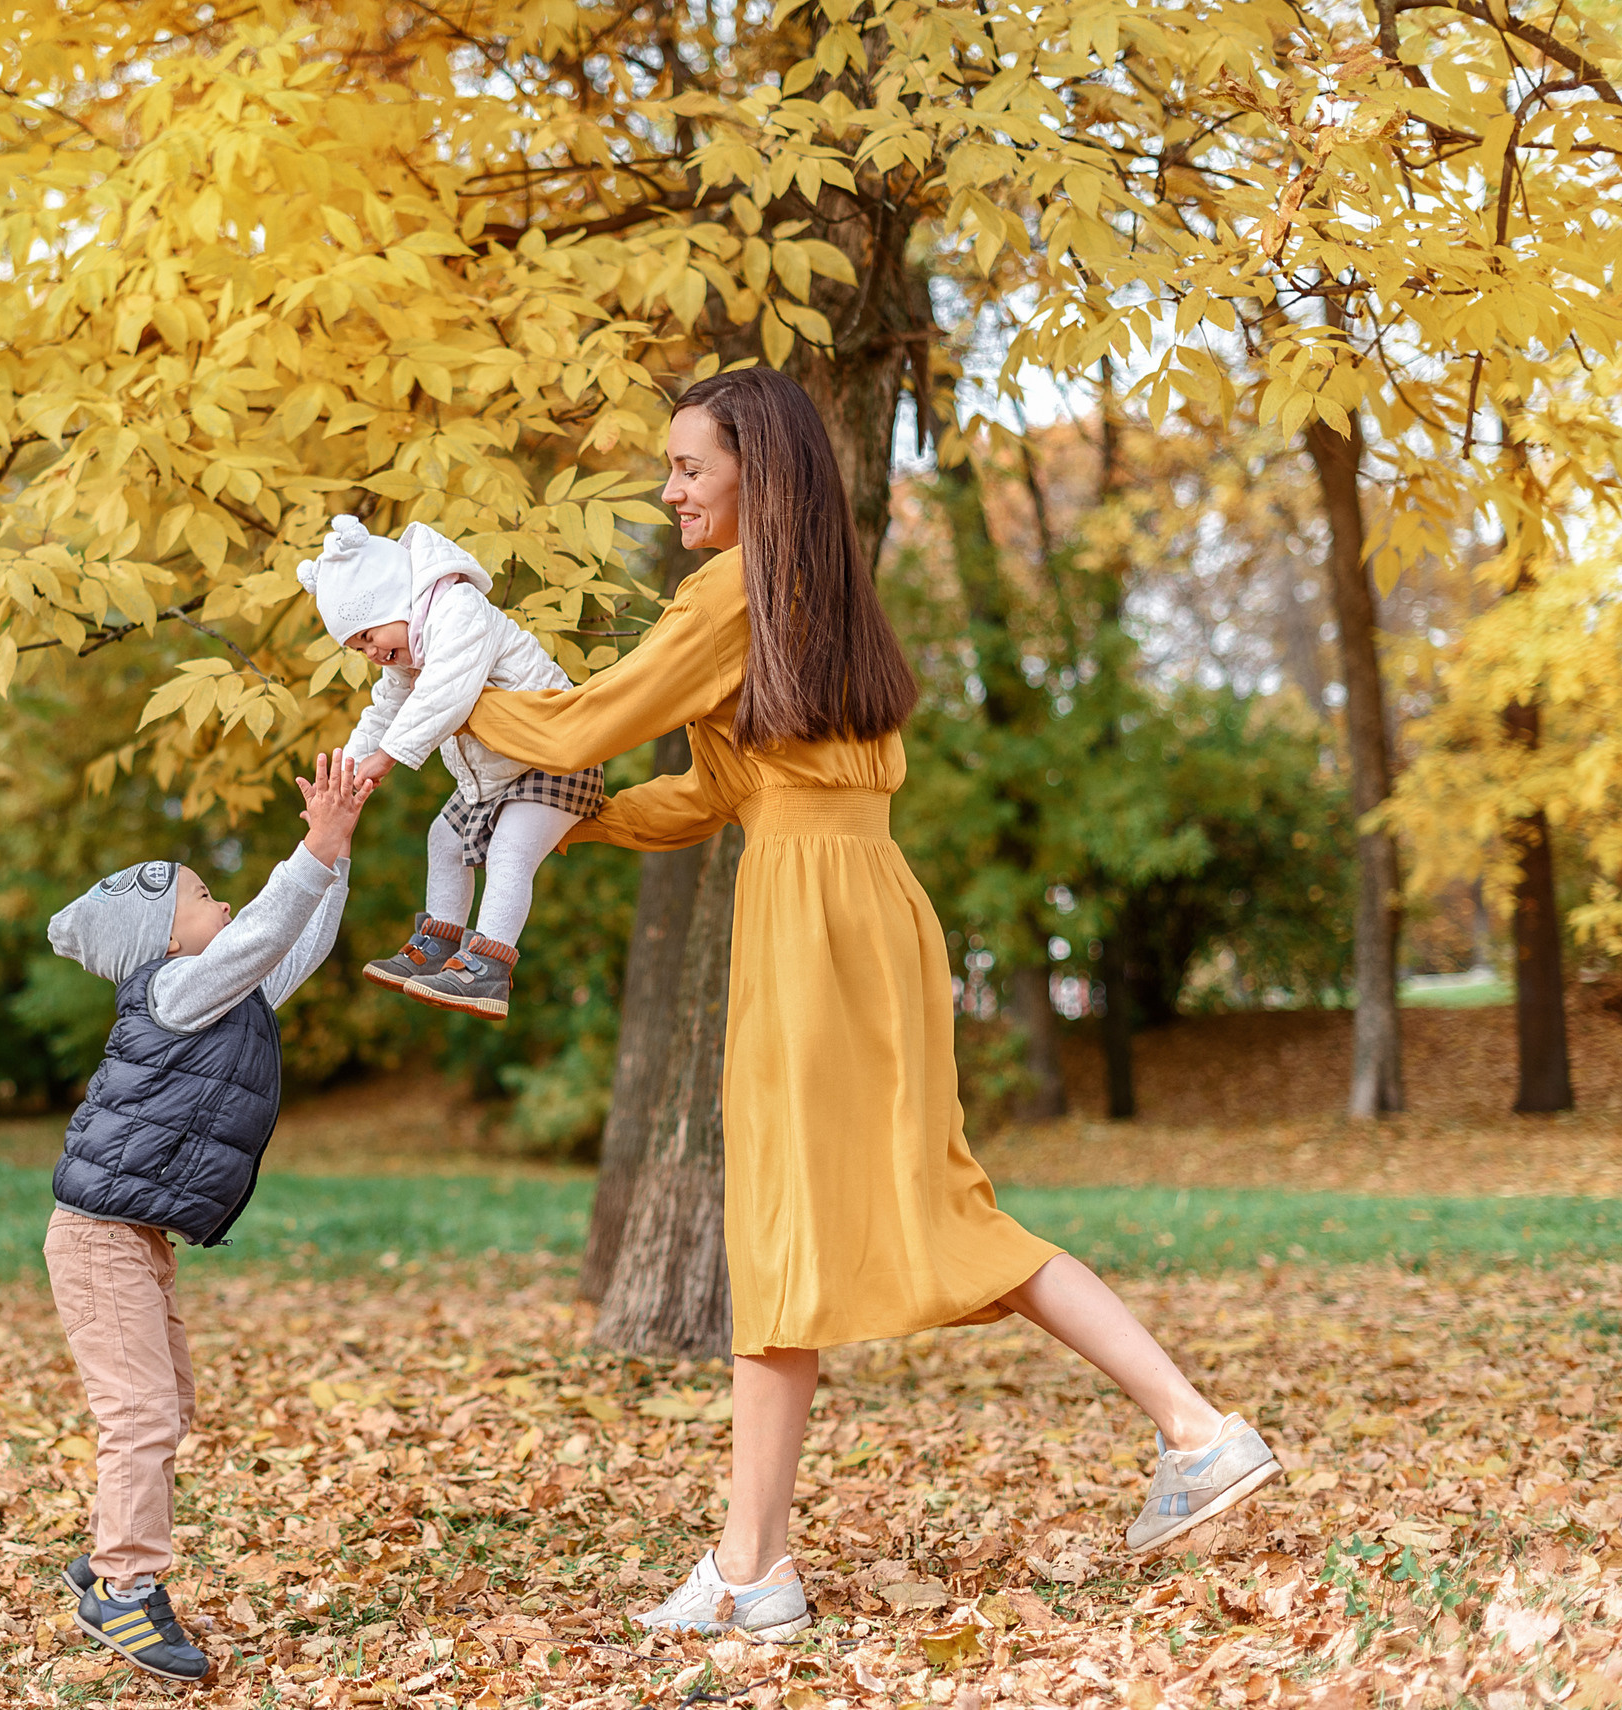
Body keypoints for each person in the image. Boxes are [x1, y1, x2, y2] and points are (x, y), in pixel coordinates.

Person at [465, 367, 1281, 1639]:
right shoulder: (811, 597)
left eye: (689, 466)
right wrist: (568, 831)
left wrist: (440, 672)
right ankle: (765, 1560)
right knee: (905, 1208)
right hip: (865, 904)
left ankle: (764, 1565)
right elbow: (709, 795)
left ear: (757, 470)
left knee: (799, 1219)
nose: (669, 488)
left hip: (808, 921)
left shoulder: (728, 595)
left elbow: (574, 728)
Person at [40, 751, 377, 1683]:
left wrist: (335, 852)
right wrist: (311, 847)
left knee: (166, 1409)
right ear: (166, 939)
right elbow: (262, 929)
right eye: (200, 895)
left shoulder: (223, 989)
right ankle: (123, 1591)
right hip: (98, 1242)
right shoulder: (172, 991)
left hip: (132, 1241)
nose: (220, 901)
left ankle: (110, 1545)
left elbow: (291, 940)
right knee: (142, 1415)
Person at [295, 513, 604, 1020]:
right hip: (494, 778)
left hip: (554, 757)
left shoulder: (459, 609)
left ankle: (490, 966)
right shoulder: (405, 657)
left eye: (368, 635)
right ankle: (442, 941)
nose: (372, 653)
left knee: (510, 850)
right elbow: (383, 711)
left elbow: (446, 693)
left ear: (394, 596)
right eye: (358, 648)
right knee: (443, 838)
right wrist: (346, 774)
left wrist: (385, 759)